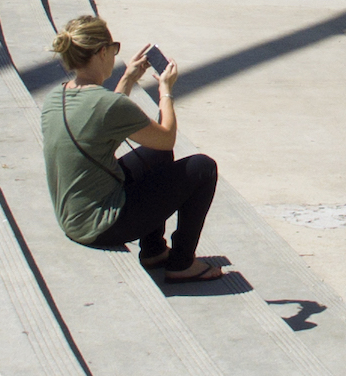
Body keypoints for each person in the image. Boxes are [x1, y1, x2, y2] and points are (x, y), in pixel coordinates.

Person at [40, 16, 221, 282]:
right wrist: (166, 92)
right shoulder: (109, 105)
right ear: (102, 52)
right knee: (202, 167)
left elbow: (103, 115)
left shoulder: (57, 96)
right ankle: (182, 264)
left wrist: (128, 78)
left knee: (156, 155)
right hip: (101, 225)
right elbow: (167, 137)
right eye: (114, 48)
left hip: (73, 217)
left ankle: (154, 250)